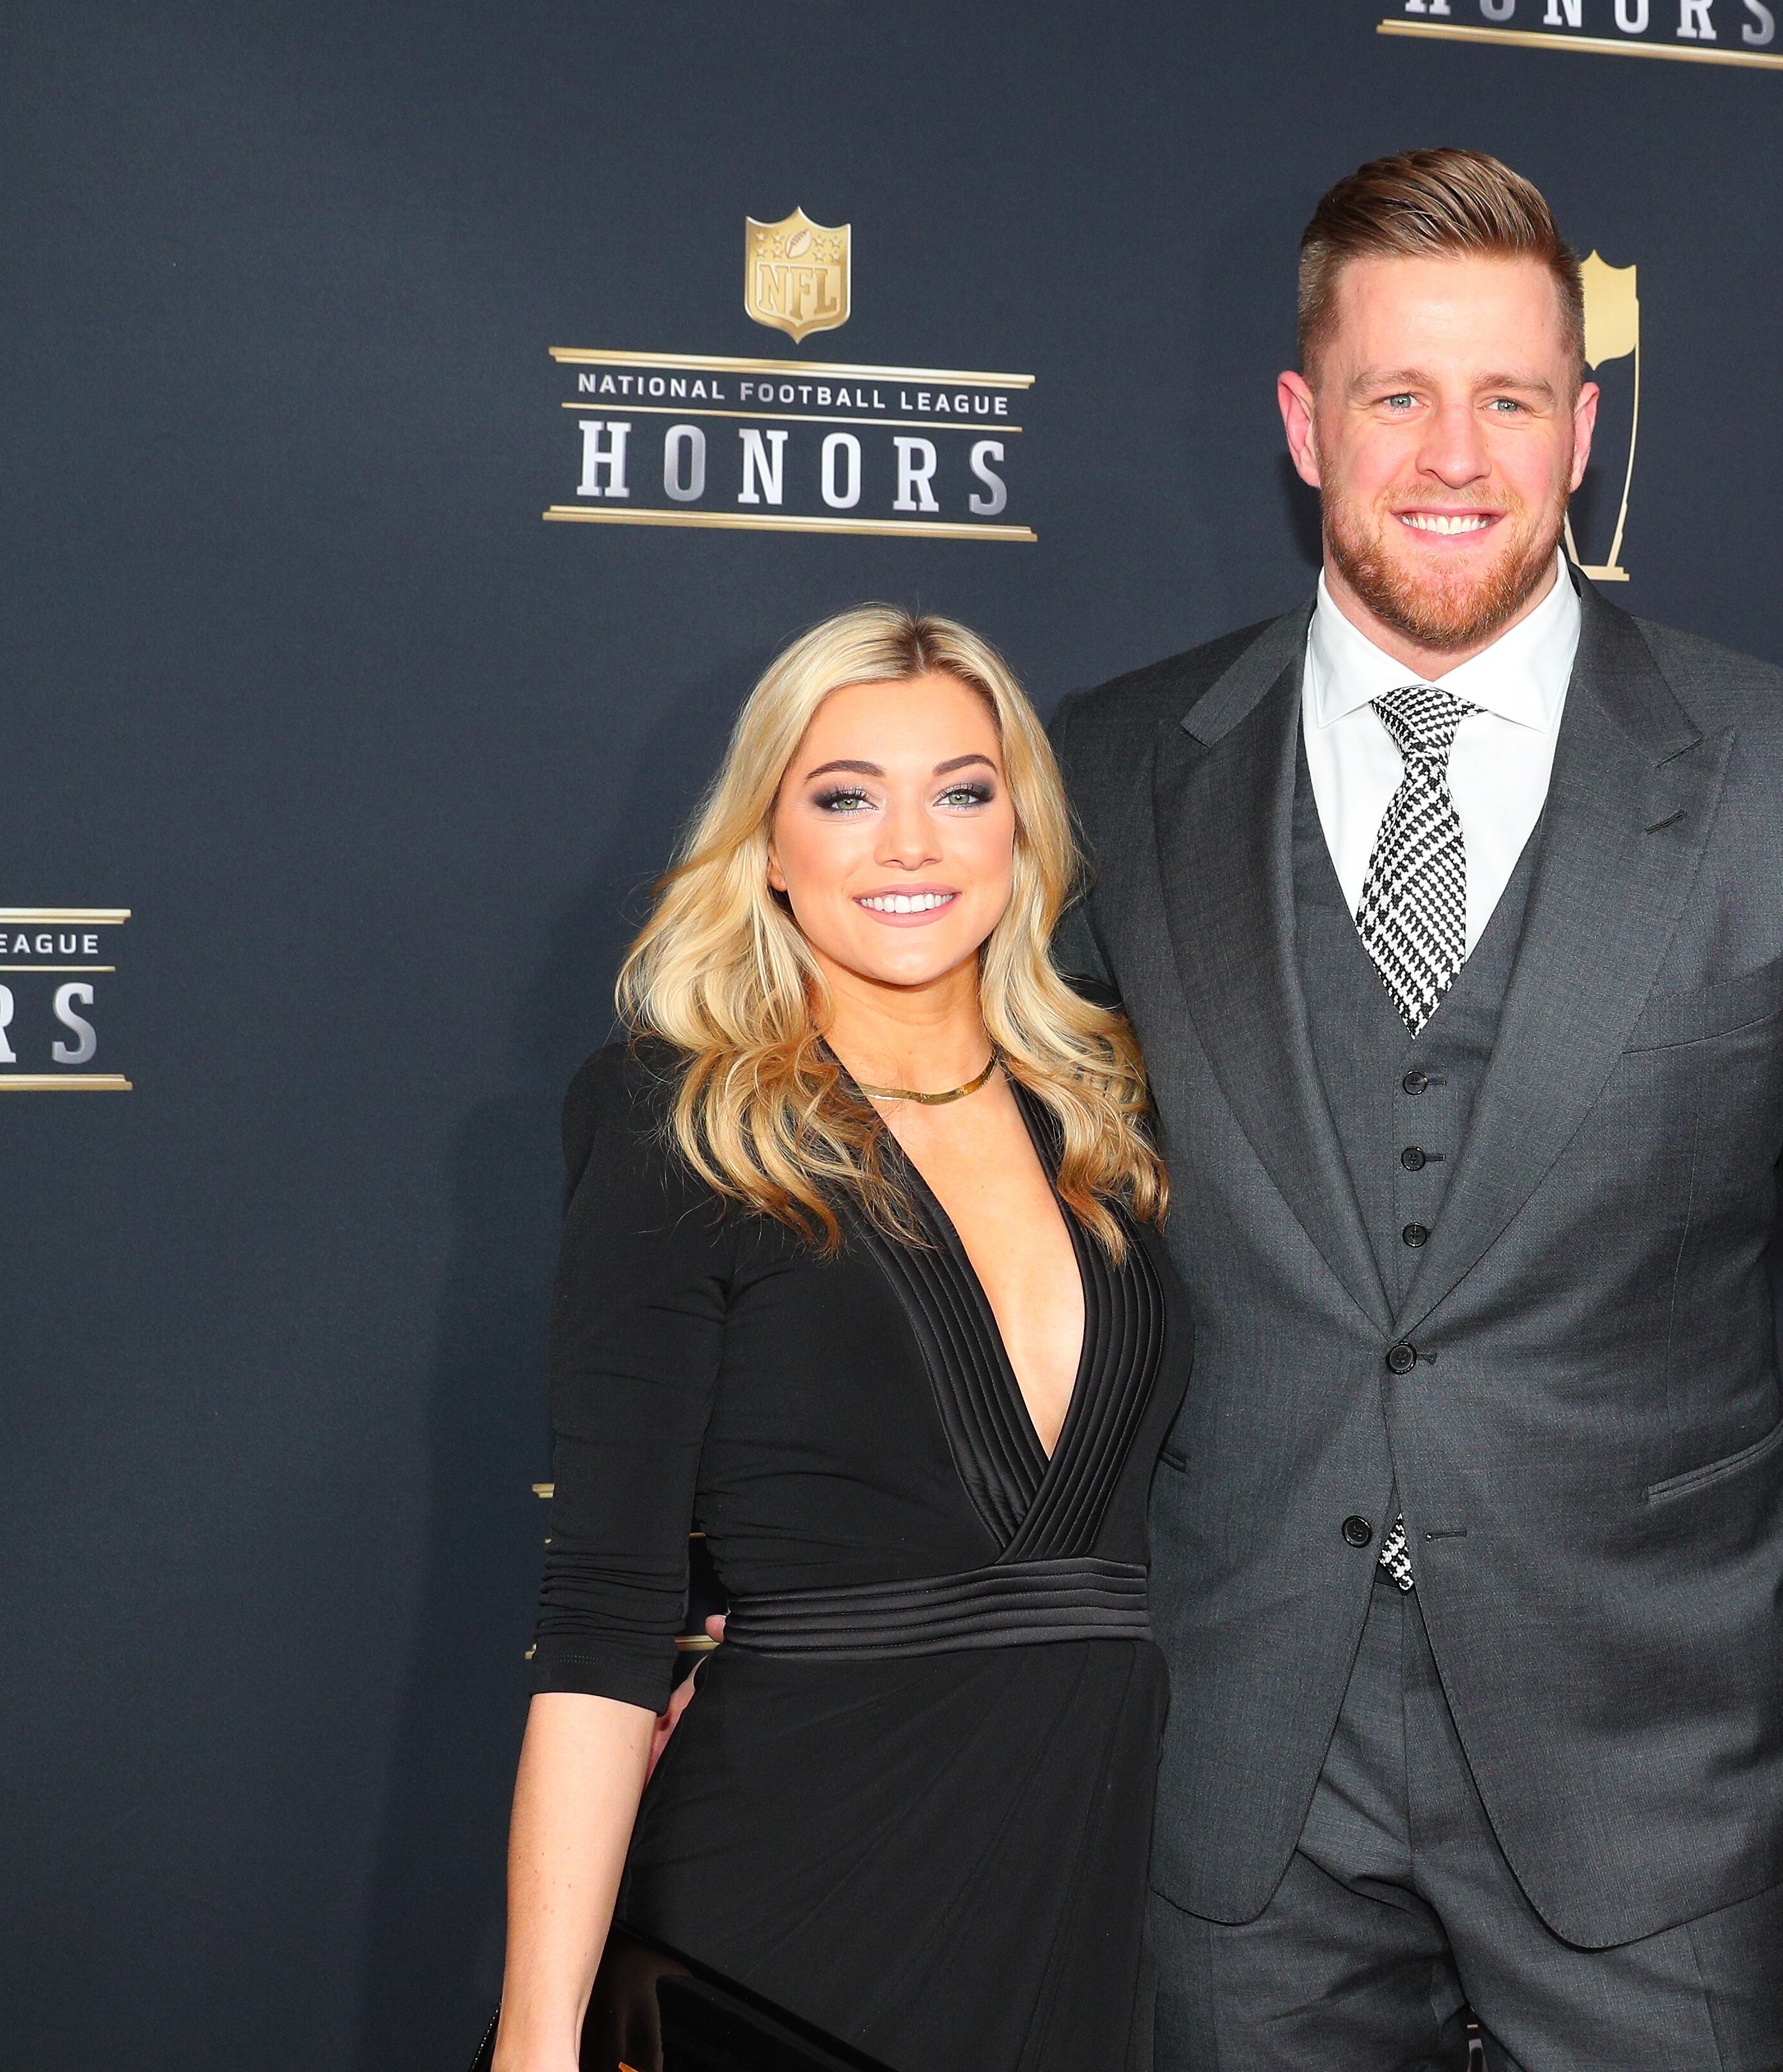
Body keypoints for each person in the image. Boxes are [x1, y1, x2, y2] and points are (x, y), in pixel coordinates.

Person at [1047, 150, 1783, 2072]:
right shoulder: (1106, 771)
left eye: (1506, 397)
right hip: (1234, 1784)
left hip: (1663, 1792)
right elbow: (983, 1262)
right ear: (1300, 424)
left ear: (1580, 430)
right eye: (1393, 393)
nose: (1450, 453)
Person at [492, 606, 1185, 2072]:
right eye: (847, 797)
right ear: (768, 846)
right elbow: (608, 1613)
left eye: (963, 791)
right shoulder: (677, 1121)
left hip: (1086, 1892)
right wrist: (540, 2041)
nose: (912, 846)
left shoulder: (1118, 1116)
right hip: (786, 1901)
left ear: (1023, 831)